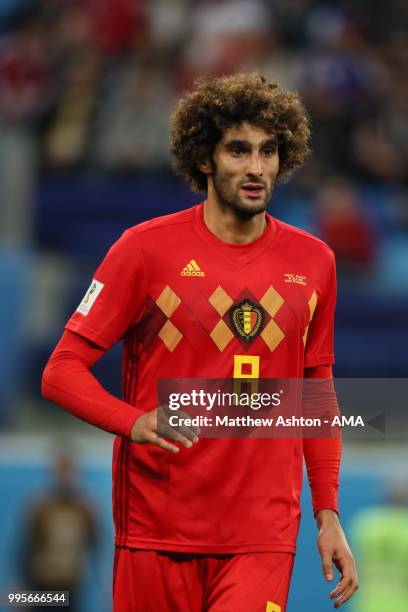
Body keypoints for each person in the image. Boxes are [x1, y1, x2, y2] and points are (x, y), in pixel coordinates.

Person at [42, 73, 358, 611]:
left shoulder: (315, 263)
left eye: (268, 151)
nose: (256, 168)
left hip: (262, 534)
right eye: (238, 150)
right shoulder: (143, 251)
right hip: (156, 525)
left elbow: (315, 392)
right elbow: (62, 370)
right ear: (205, 159)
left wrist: (327, 512)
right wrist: (134, 421)